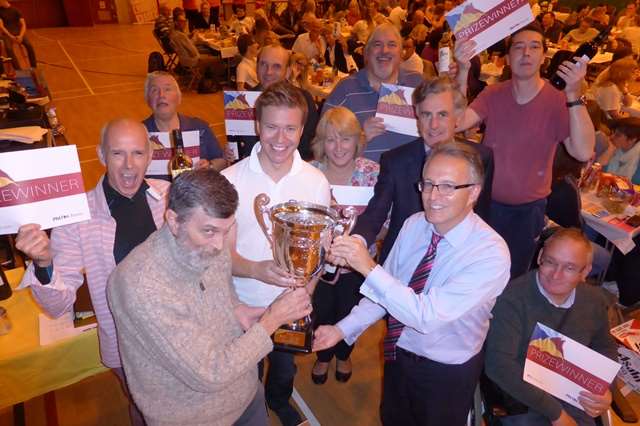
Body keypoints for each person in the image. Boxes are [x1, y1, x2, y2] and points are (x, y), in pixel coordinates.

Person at [314, 141, 511, 426]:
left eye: (447, 186)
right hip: (399, 352)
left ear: (474, 193)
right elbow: (384, 293)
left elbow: (425, 316)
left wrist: (368, 267)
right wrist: (340, 329)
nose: (432, 196)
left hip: (446, 373)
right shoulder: (414, 225)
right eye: (428, 184)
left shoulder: (490, 253)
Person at [107, 168, 312, 426]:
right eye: (209, 231)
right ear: (173, 220)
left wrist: (237, 309)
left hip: (246, 394)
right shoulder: (142, 286)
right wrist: (270, 321)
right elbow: (211, 373)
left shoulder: (209, 244)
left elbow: (223, 290)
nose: (219, 245)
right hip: (195, 418)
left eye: (226, 232)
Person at [15, 118, 169, 426]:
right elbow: (57, 306)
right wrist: (44, 265)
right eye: (117, 153)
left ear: (150, 156)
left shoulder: (168, 196)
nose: (128, 165)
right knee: (146, 410)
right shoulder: (77, 217)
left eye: (138, 153)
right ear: (100, 155)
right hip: (126, 347)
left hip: (175, 332)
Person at [221, 81, 331, 426]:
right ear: (257, 126)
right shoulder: (229, 181)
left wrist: (304, 294)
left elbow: (320, 249)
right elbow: (218, 259)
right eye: (271, 127)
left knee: (285, 365)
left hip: (292, 305)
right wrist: (256, 270)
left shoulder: (316, 181)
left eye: (290, 128)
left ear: (302, 129)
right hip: (242, 308)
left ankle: (279, 399)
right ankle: (250, 409)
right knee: (244, 375)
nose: (280, 139)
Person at [455, 22, 595, 278]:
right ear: (507, 58)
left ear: (544, 56)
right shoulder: (494, 93)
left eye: (534, 47)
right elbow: (456, 122)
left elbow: (583, 152)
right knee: (474, 271)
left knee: (512, 275)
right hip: (484, 204)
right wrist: (463, 70)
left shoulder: (557, 100)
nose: (526, 53)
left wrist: (574, 94)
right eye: (518, 47)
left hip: (526, 212)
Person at [351, 76, 494, 267]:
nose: (433, 125)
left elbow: (481, 215)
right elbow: (375, 214)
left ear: (458, 118)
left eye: (442, 115)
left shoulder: (481, 157)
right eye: (426, 115)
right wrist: (356, 242)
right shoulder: (395, 161)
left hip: (454, 261)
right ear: (417, 117)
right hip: (401, 261)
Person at [485, 228, 615, 425]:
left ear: (585, 271)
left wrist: (605, 388)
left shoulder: (594, 300)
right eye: (550, 262)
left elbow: (604, 346)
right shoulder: (512, 300)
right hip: (524, 396)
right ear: (540, 257)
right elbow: (499, 366)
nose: (556, 275)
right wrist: (556, 414)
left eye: (570, 267)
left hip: (574, 394)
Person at [309, 107, 379, 384]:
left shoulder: (373, 173)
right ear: (321, 143)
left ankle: (344, 353)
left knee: (352, 313)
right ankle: (323, 357)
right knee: (321, 312)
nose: (338, 147)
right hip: (318, 267)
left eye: (346, 139)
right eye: (330, 139)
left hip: (357, 266)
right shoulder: (309, 173)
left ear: (357, 140)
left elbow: (382, 220)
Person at [324, 23, 424, 162]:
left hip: (413, 179)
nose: (384, 50)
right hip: (363, 181)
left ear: (401, 53)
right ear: (366, 52)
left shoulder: (417, 83)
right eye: (377, 44)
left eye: (392, 44)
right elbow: (322, 149)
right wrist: (360, 137)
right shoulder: (345, 90)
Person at [231, 44, 319, 160]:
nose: (269, 72)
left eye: (276, 66)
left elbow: (307, 148)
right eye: (263, 64)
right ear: (256, 67)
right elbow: (236, 147)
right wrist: (229, 154)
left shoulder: (303, 100)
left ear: (287, 72)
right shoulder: (241, 102)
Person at [142, 71, 226, 173]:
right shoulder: (139, 134)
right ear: (147, 100)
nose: (161, 95)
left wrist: (210, 167)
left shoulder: (200, 127)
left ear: (179, 97)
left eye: (167, 89)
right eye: (154, 90)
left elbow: (221, 161)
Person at [0, 0, 36, 68]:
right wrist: (11, 36)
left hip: (18, 33)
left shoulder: (15, 10)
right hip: (7, 34)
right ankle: (18, 69)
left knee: (29, 45)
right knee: (9, 49)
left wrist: (21, 36)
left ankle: (34, 67)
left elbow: (23, 24)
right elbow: (1, 27)